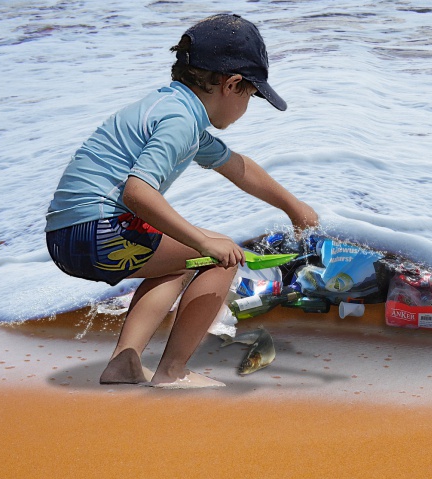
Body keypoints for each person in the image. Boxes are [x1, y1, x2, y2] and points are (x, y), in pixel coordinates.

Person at [45, 14, 318, 389]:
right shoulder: (180, 121)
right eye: (251, 97)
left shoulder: (169, 108)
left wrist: (293, 206)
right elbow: (137, 193)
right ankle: (173, 372)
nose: (247, 107)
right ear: (232, 84)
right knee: (223, 256)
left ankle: (124, 363)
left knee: (176, 264)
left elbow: (237, 167)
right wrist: (204, 242)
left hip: (66, 237)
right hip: (102, 231)